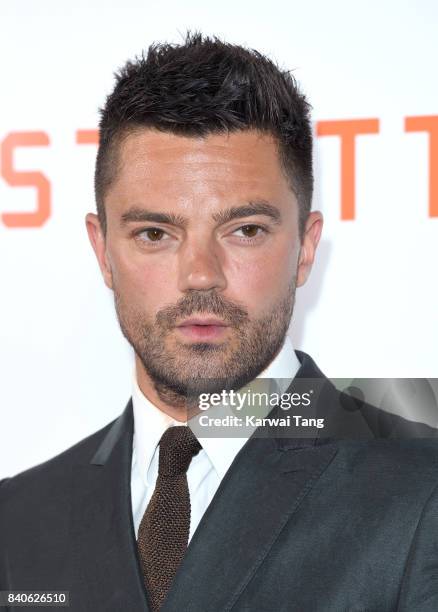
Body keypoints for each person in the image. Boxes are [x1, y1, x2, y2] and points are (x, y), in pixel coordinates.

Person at [1, 32, 438, 612]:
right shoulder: (18, 517)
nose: (200, 275)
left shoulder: (421, 488)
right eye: (155, 234)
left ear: (305, 249)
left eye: (246, 230)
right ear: (103, 251)